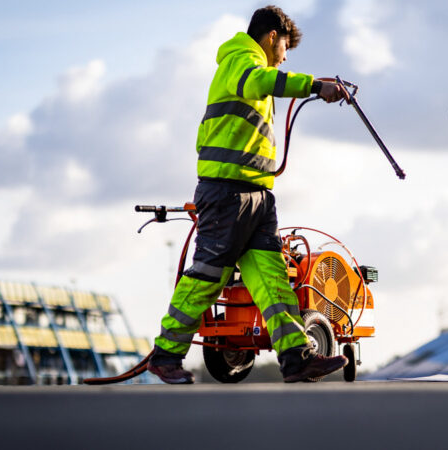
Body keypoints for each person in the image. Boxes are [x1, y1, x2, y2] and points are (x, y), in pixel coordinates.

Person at [147, 5, 350, 384]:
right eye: (285, 47)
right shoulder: (240, 59)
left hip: (257, 194)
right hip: (227, 192)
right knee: (208, 277)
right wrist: (313, 85)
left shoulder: (255, 66)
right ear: (272, 37)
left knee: (272, 280)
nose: (285, 57)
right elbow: (256, 82)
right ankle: (165, 356)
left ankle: (296, 358)